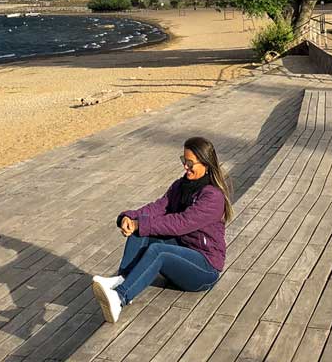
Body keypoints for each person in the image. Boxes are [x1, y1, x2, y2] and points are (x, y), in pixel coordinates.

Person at [91, 136, 232, 324]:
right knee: (141, 230)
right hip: (182, 250)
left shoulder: (212, 197)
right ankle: (122, 279)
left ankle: (120, 298)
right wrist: (130, 217)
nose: (185, 167)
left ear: (205, 163)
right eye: (184, 161)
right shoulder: (180, 186)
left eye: (190, 163)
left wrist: (140, 224)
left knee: (158, 250)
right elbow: (158, 207)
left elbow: (181, 223)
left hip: (204, 268)